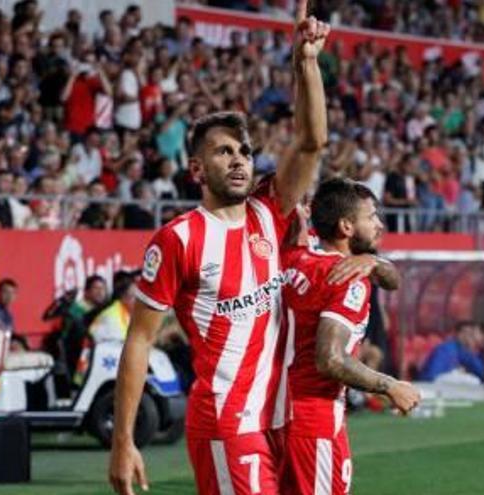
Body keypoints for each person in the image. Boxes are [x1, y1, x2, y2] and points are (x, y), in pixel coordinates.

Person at [109, 3, 330, 493]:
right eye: (223, 151)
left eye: (245, 151)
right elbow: (139, 339)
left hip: (281, 419)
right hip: (228, 425)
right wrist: (123, 440)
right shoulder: (179, 238)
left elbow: (312, 142)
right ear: (195, 170)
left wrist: (306, 64)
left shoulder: (269, 211)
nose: (239, 161)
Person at [280, 178, 421, 495]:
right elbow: (330, 359)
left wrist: (374, 261)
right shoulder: (348, 279)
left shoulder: (290, 262)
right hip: (314, 421)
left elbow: (392, 279)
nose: (380, 225)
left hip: (271, 416)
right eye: (371, 217)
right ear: (346, 226)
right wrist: (391, 386)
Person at [419, 321, 484, 383]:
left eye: (471, 334)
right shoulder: (446, 348)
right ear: (459, 334)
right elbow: (432, 374)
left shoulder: (465, 350)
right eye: (467, 333)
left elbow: (482, 373)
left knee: (474, 381)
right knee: (472, 381)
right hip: (431, 383)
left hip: (443, 384)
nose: (469, 337)